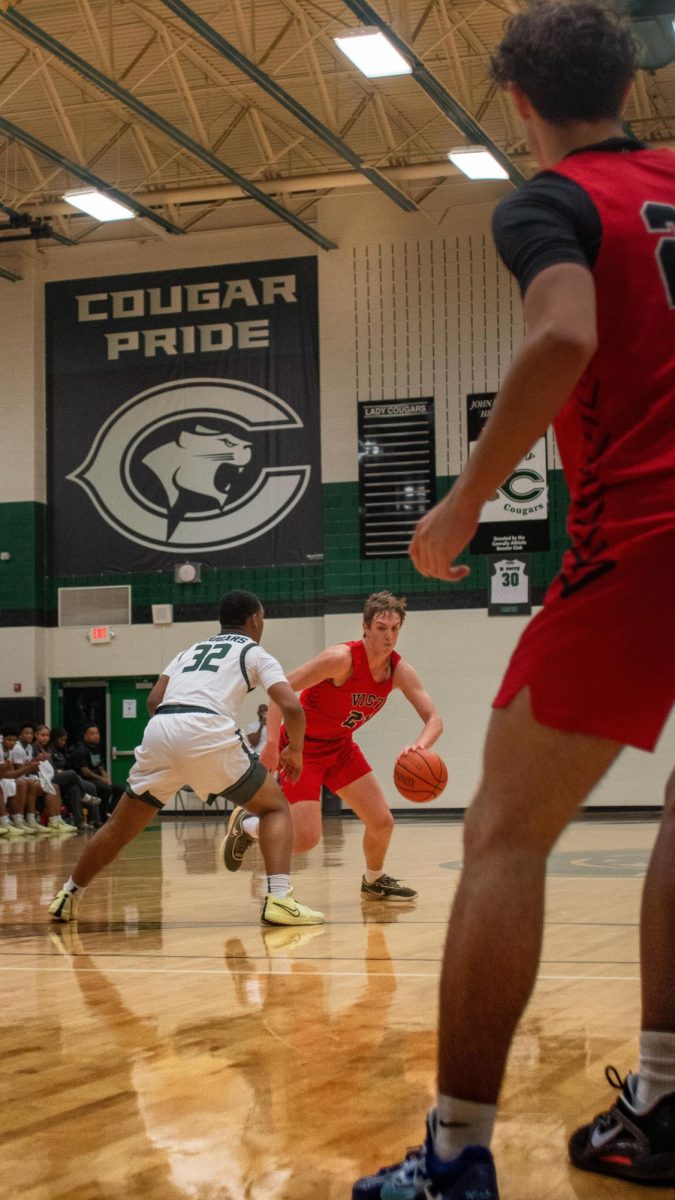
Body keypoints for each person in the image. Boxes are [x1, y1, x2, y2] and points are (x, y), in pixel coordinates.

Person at [353, 5, 675, 1198]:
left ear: (519, 105)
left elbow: (562, 334)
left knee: (502, 840)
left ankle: (452, 1159)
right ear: (631, 82)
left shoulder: (554, 200)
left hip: (645, 538)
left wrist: (462, 503)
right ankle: (664, 1099)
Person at [48, 590, 324, 927]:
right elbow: (292, 707)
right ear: (254, 619)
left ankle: (68, 894)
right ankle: (280, 898)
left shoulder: (188, 651)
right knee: (275, 807)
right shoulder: (254, 651)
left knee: (118, 826)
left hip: (162, 728)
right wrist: (294, 749)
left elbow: (153, 700)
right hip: (206, 729)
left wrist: (175, 747)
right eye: (262, 619)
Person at [222, 591, 442, 900]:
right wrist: (272, 743)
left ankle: (373, 880)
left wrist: (420, 747)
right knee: (305, 841)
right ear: (365, 627)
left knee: (382, 822)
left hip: (340, 747)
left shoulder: (399, 671)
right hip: (302, 748)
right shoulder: (341, 660)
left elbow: (434, 719)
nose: (388, 635)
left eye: (394, 628)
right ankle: (249, 825)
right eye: (381, 627)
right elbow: (277, 690)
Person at [67, 725, 124, 818]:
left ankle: (111, 813)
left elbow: (100, 767)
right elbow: (85, 771)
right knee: (105, 789)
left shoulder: (96, 749)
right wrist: (101, 779)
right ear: (85, 736)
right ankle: (101, 816)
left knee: (120, 789)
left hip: (98, 779)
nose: (96, 736)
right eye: (92, 734)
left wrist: (107, 778)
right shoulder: (81, 750)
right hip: (86, 780)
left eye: (97, 733)